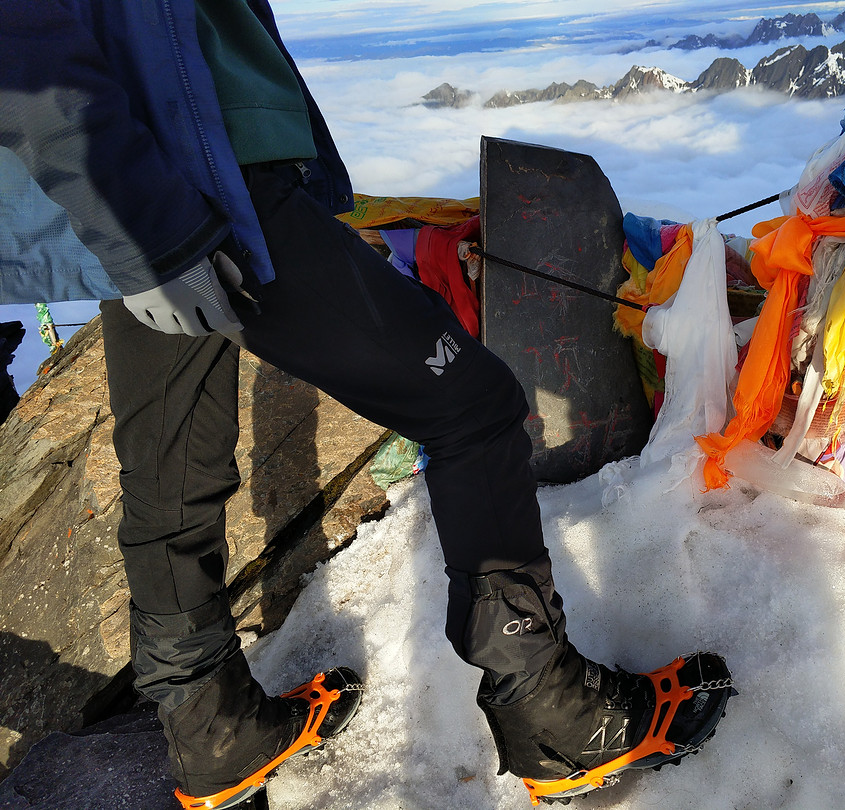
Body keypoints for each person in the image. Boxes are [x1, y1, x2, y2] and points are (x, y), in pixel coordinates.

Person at [0, 2, 733, 807]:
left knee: (171, 485)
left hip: (136, 188)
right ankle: (553, 708)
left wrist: (134, 225)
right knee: (473, 406)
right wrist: (156, 229)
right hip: (195, 187)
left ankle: (213, 729)